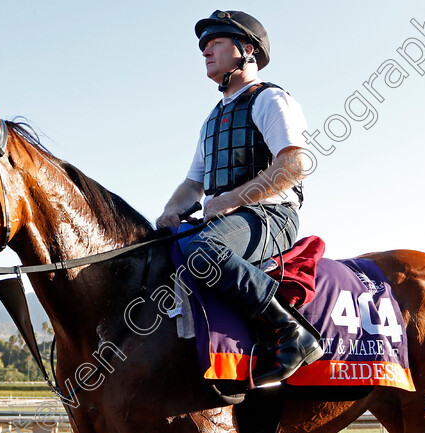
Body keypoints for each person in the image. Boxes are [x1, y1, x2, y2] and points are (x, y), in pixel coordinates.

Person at [156, 10, 323, 386]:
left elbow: (295, 163)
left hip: (271, 216)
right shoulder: (211, 120)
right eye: (203, 46)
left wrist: (232, 198)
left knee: (202, 250)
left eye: (215, 43)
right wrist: (170, 211)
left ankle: (293, 333)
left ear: (246, 50)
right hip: (226, 217)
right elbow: (192, 185)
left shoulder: (270, 100)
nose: (205, 51)